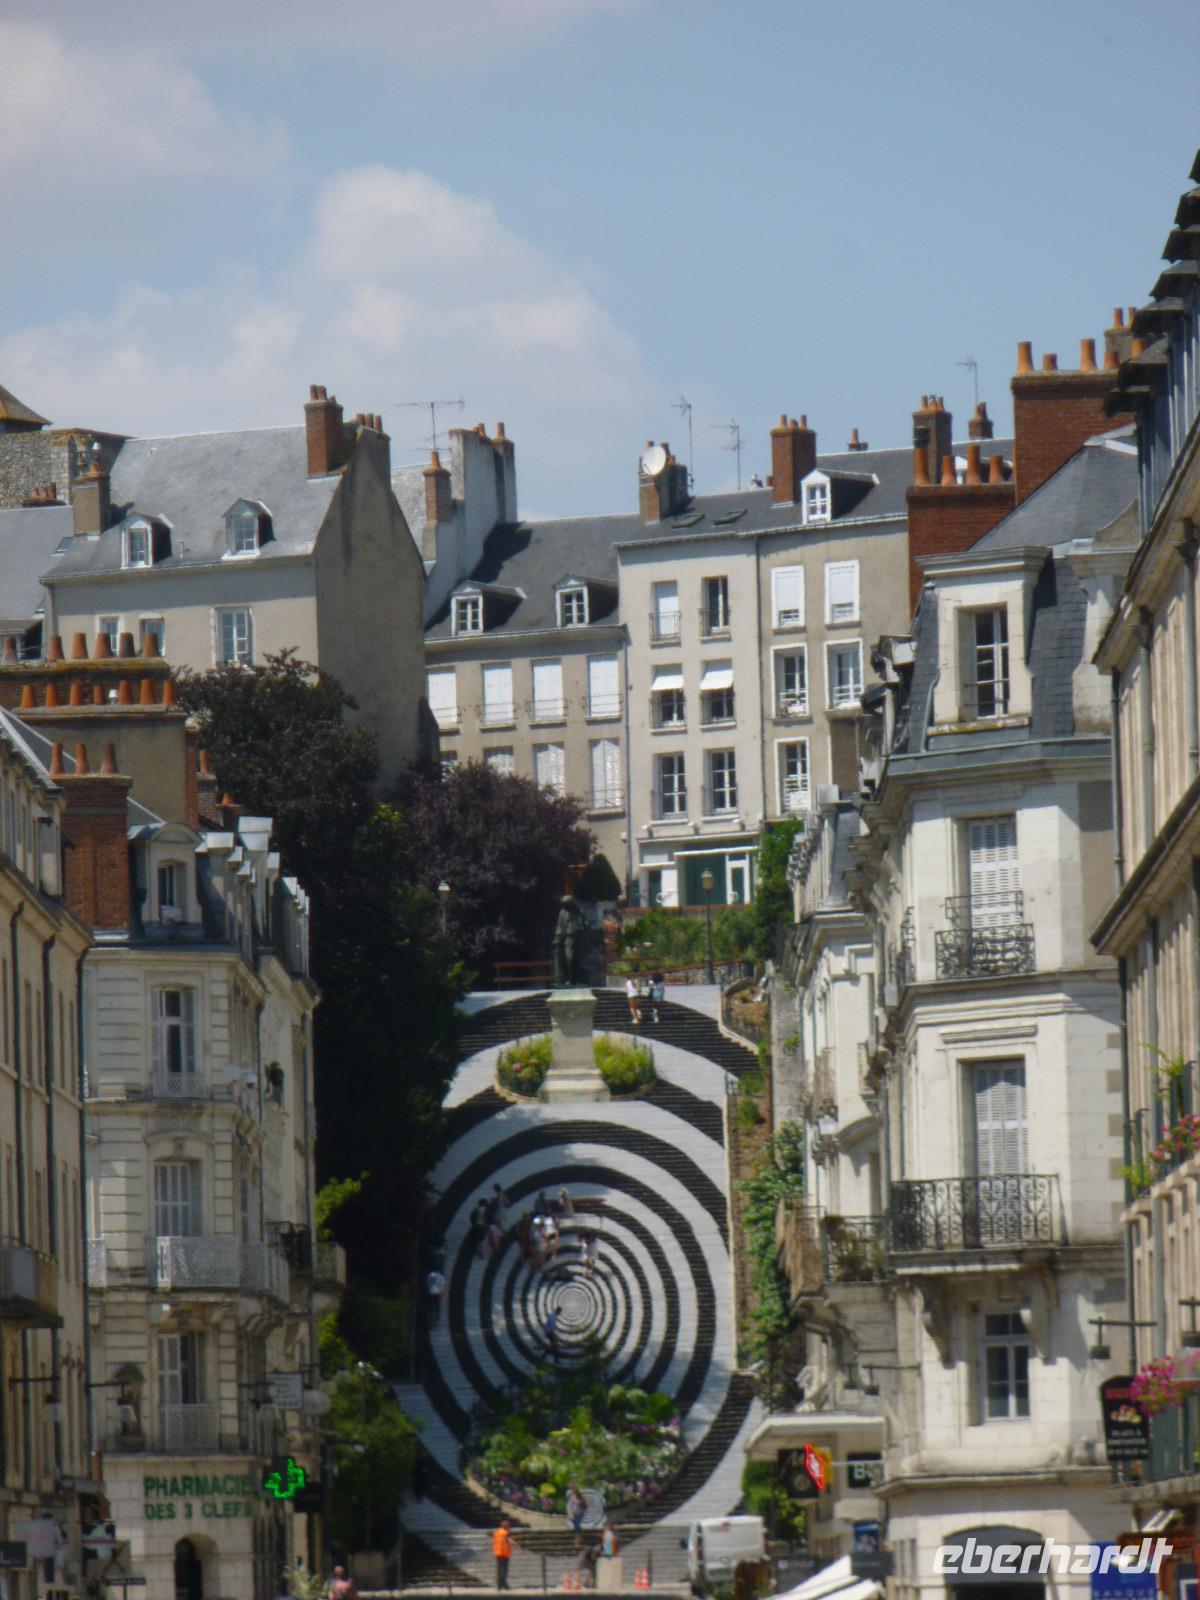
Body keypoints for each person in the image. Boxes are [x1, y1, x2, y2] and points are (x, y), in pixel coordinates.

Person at [493, 1521, 513, 1590]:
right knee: (504, 1570)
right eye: (508, 1526)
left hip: (498, 1553)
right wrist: (517, 1545)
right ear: (506, 1526)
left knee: (500, 1570)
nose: (509, 1527)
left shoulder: (497, 1532)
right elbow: (509, 1540)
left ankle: (499, 1586)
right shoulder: (505, 1533)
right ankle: (504, 1584)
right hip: (504, 1553)